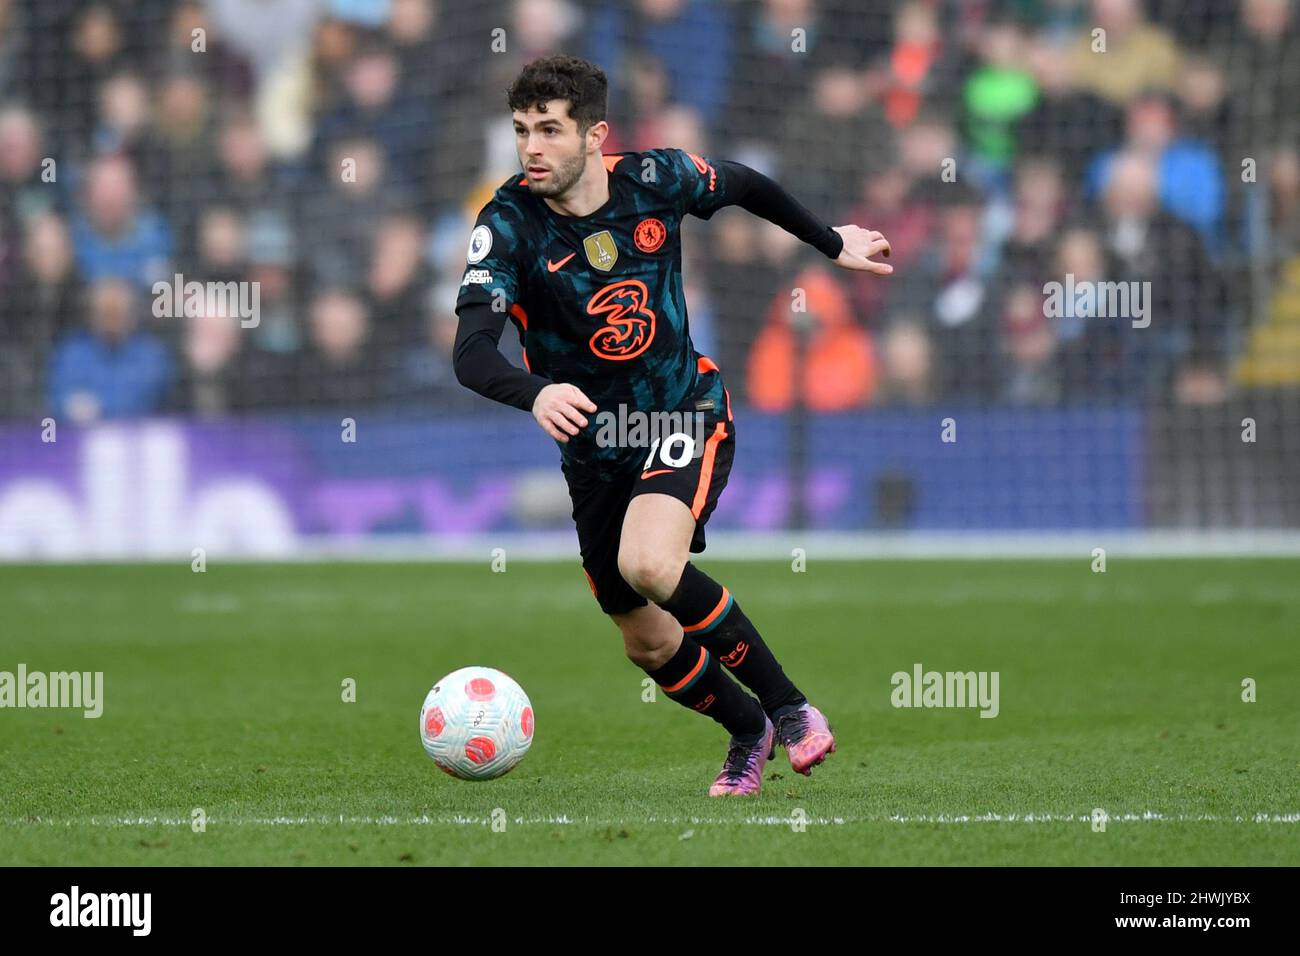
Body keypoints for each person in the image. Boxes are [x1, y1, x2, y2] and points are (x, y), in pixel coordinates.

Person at [453, 55, 893, 796]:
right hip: (596, 452)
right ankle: (747, 729)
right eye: (523, 130)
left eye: (550, 131)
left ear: (596, 136)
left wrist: (829, 241)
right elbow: (469, 353)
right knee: (645, 637)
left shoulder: (657, 179)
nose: (532, 147)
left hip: (683, 407)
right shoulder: (505, 226)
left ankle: (791, 710)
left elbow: (744, 183)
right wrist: (532, 393)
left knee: (650, 565)